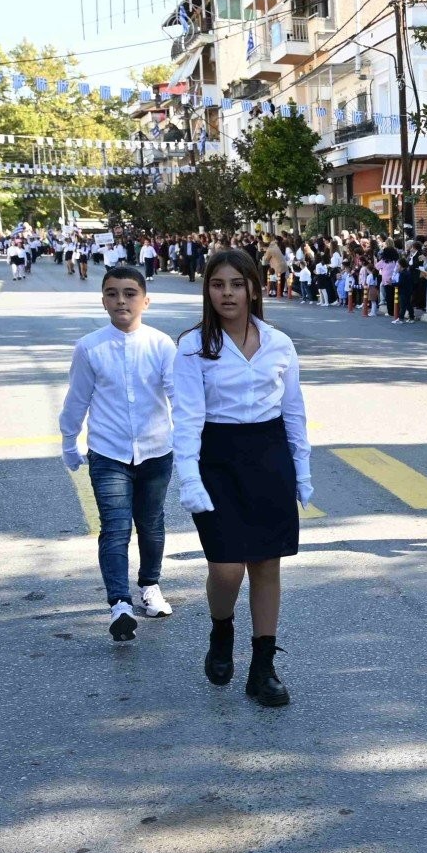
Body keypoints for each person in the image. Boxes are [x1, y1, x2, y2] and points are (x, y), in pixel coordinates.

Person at [172, 250, 311, 707]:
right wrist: (189, 478)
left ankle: (264, 667)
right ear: (207, 290)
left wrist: (302, 469)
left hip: (268, 456)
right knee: (227, 568)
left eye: (236, 283)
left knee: (267, 564)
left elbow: (293, 412)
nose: (227, 293)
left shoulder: (279, 343)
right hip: (218, 458)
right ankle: (221, 628)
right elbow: (188, 419)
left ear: (254, 287)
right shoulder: (193, 346)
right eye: (217, 284)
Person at [61, 264, 178, 643]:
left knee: (151, 522)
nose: (121, 300)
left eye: (129, 293)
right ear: (103, 301)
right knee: (114, 527)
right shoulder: (90, 347)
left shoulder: (161, 344)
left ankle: (150, 586)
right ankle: (119, 605)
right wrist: (68, 441)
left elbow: (178, 394)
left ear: (145, 300)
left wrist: (194, 439)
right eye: (112, 293)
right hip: (108, 452)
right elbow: (77, 399)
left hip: (157, 450)